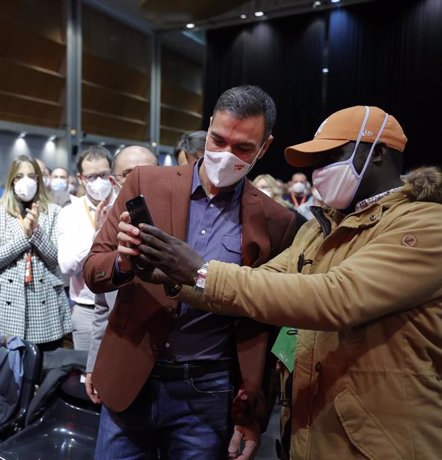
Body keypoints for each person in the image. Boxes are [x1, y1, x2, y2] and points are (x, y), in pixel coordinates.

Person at [137, 105, 442, 459]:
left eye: (332, 156)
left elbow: (334, 298)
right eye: (317, 161)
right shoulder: (320, 228)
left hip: (384, 442)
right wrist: (177, 279)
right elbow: (266, 281)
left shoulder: (424, 226)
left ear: (379, 154)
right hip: (315, 431)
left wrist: (199, 271)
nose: (319, 171)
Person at [83, 85, 297, 459]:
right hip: (131, 372)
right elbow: (93, 269)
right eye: (218, 139)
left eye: (243, 148)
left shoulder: (277, 221)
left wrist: (253, 415)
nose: (225, 155)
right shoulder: (145, 182)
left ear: (265, 147)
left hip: (208, 390)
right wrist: (122, 261)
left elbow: (265, 323)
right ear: (210, 125)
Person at [83, 145, 159, 403]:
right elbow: (102, 308)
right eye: (129, 173)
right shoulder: (106, 233)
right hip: (123, 359)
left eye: (148, 172)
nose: (139, 179)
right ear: (114, 182)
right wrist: (94, 363)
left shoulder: (180, 223)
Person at [0, 155, 71, 352]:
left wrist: (36, 232)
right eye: (20, 176)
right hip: (8, 301)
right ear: (12, 180)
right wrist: (24, 236)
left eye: (31, 176)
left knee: (46, 367)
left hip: (44, 299)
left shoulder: (54, 212)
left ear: (38, 179)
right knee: (9, 369)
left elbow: (54, 259)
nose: (26, 181)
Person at [56, 146, 113, 351]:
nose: (98, 182)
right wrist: (96, 235)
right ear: (80, 178)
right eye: (91, 177)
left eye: (104, 175)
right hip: (87, 308)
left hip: (123, 306)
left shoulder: (123, 205)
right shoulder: (70, 213)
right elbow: (67, 266)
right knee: (87, 377)